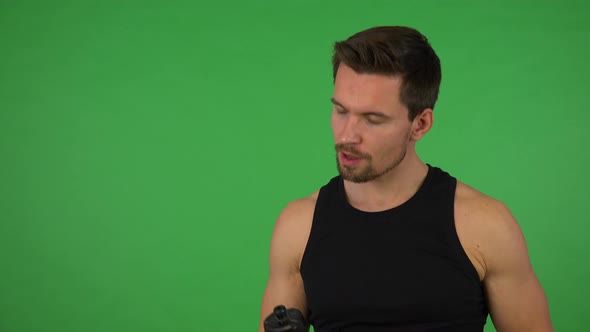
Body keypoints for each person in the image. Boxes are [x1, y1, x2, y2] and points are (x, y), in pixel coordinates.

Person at [258, 26, 553, 332]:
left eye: (373, 119)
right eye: (341, 111)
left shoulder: (485, 225)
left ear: (420, 124)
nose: (347, 136)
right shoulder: (298, 226)